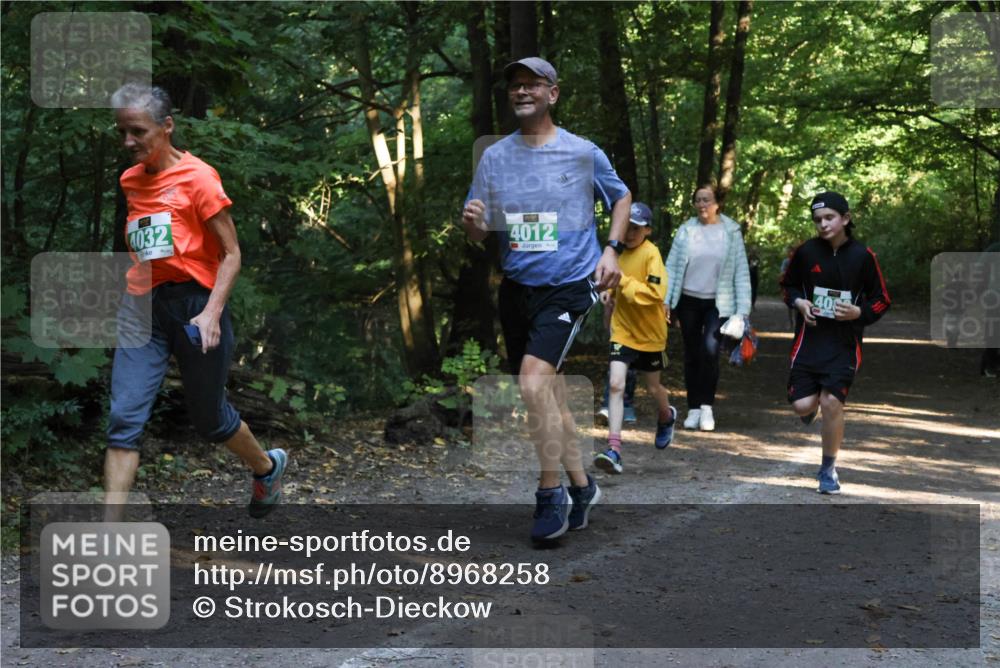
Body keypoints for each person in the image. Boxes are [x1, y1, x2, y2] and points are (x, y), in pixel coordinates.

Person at [462, 57, 631, 541]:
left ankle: (549, 492)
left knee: (534, 384)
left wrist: (612, 250)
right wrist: (472, 222)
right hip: (518, 288)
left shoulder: (582, 153)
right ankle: (582, 485)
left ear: (552, 93)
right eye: (515, 86)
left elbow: (620, 198)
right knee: (548, 393)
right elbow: (476, 232)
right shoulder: (495, 157)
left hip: (569, 284)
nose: (521, 92)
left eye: (532, 85)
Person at [105, 83, 287, 518]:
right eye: (122, 132)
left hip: (196, 305)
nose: (128, 142)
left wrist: (210, 313)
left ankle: (265, 468)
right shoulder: (130, 181)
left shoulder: (199, 179)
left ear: (166, 128)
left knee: (210, 421)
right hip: (144, 306)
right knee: (124, 420)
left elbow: (232, 254)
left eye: (138, 132)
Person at [780, 191, 891, 494]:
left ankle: (827, 469)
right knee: (803, 406)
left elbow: (882, 300)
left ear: (845, 218)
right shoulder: (806, 252)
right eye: (818, 220)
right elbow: (787, 286)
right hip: (809, 342)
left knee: (831, 402)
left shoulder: (863, 257)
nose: (823, 224)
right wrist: (800, 303)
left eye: (829, 218)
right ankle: (809, 407)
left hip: (844, 344)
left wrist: (859, 313)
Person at [594, 202, 676, 475]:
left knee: (654, 388)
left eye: (636, 228)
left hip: (651, 335)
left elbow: (655, 294)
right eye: (626, 226)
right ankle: (614, 449)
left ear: (647, 230)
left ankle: (666, 415)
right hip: (623, 331)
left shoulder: (652, 254)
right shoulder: (614, 253)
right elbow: (609, 284)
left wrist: (622, 283)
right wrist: (607, 293)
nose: (629, 233)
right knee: (616, 385)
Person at [663, 183, 752, 431]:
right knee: (692, 353)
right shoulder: (686, 230)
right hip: (689, 301)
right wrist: (666, 300)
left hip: (718, 303)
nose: (702, 205)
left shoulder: (731, 231)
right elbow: (671, 267)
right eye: (698, 200)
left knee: (710, 351)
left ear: (717, 204)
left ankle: (706, 407)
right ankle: (692, 409)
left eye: (707, 200)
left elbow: (741, 273)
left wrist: (742, 311)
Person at [779, 244, 797, 331]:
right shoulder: (786, 261)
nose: (791, 253)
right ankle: (791, 323)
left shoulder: (799, 261)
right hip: (789, 286)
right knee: (790, 306)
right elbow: (782, 272)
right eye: (790, 251)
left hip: (798, 286)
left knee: (798, 307)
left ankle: (797, 324)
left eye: (792, 251)